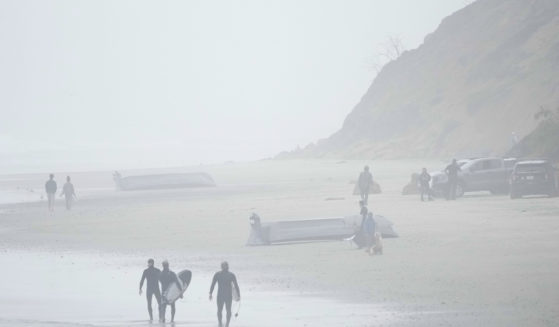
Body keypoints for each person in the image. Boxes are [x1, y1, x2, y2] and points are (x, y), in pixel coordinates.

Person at [209, 261, 241, 327]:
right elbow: (236, 286)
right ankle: (226, 324)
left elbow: (213, 284)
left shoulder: (218, 274)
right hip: (227, 296)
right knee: (226, 310)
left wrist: (210, 293)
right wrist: (238, 295)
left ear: (221, 267)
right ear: (227, 267)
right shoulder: (231, 275)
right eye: (226, 266)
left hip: (221, 295)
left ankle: (221, 324)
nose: (226, 267)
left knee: (221, 310)